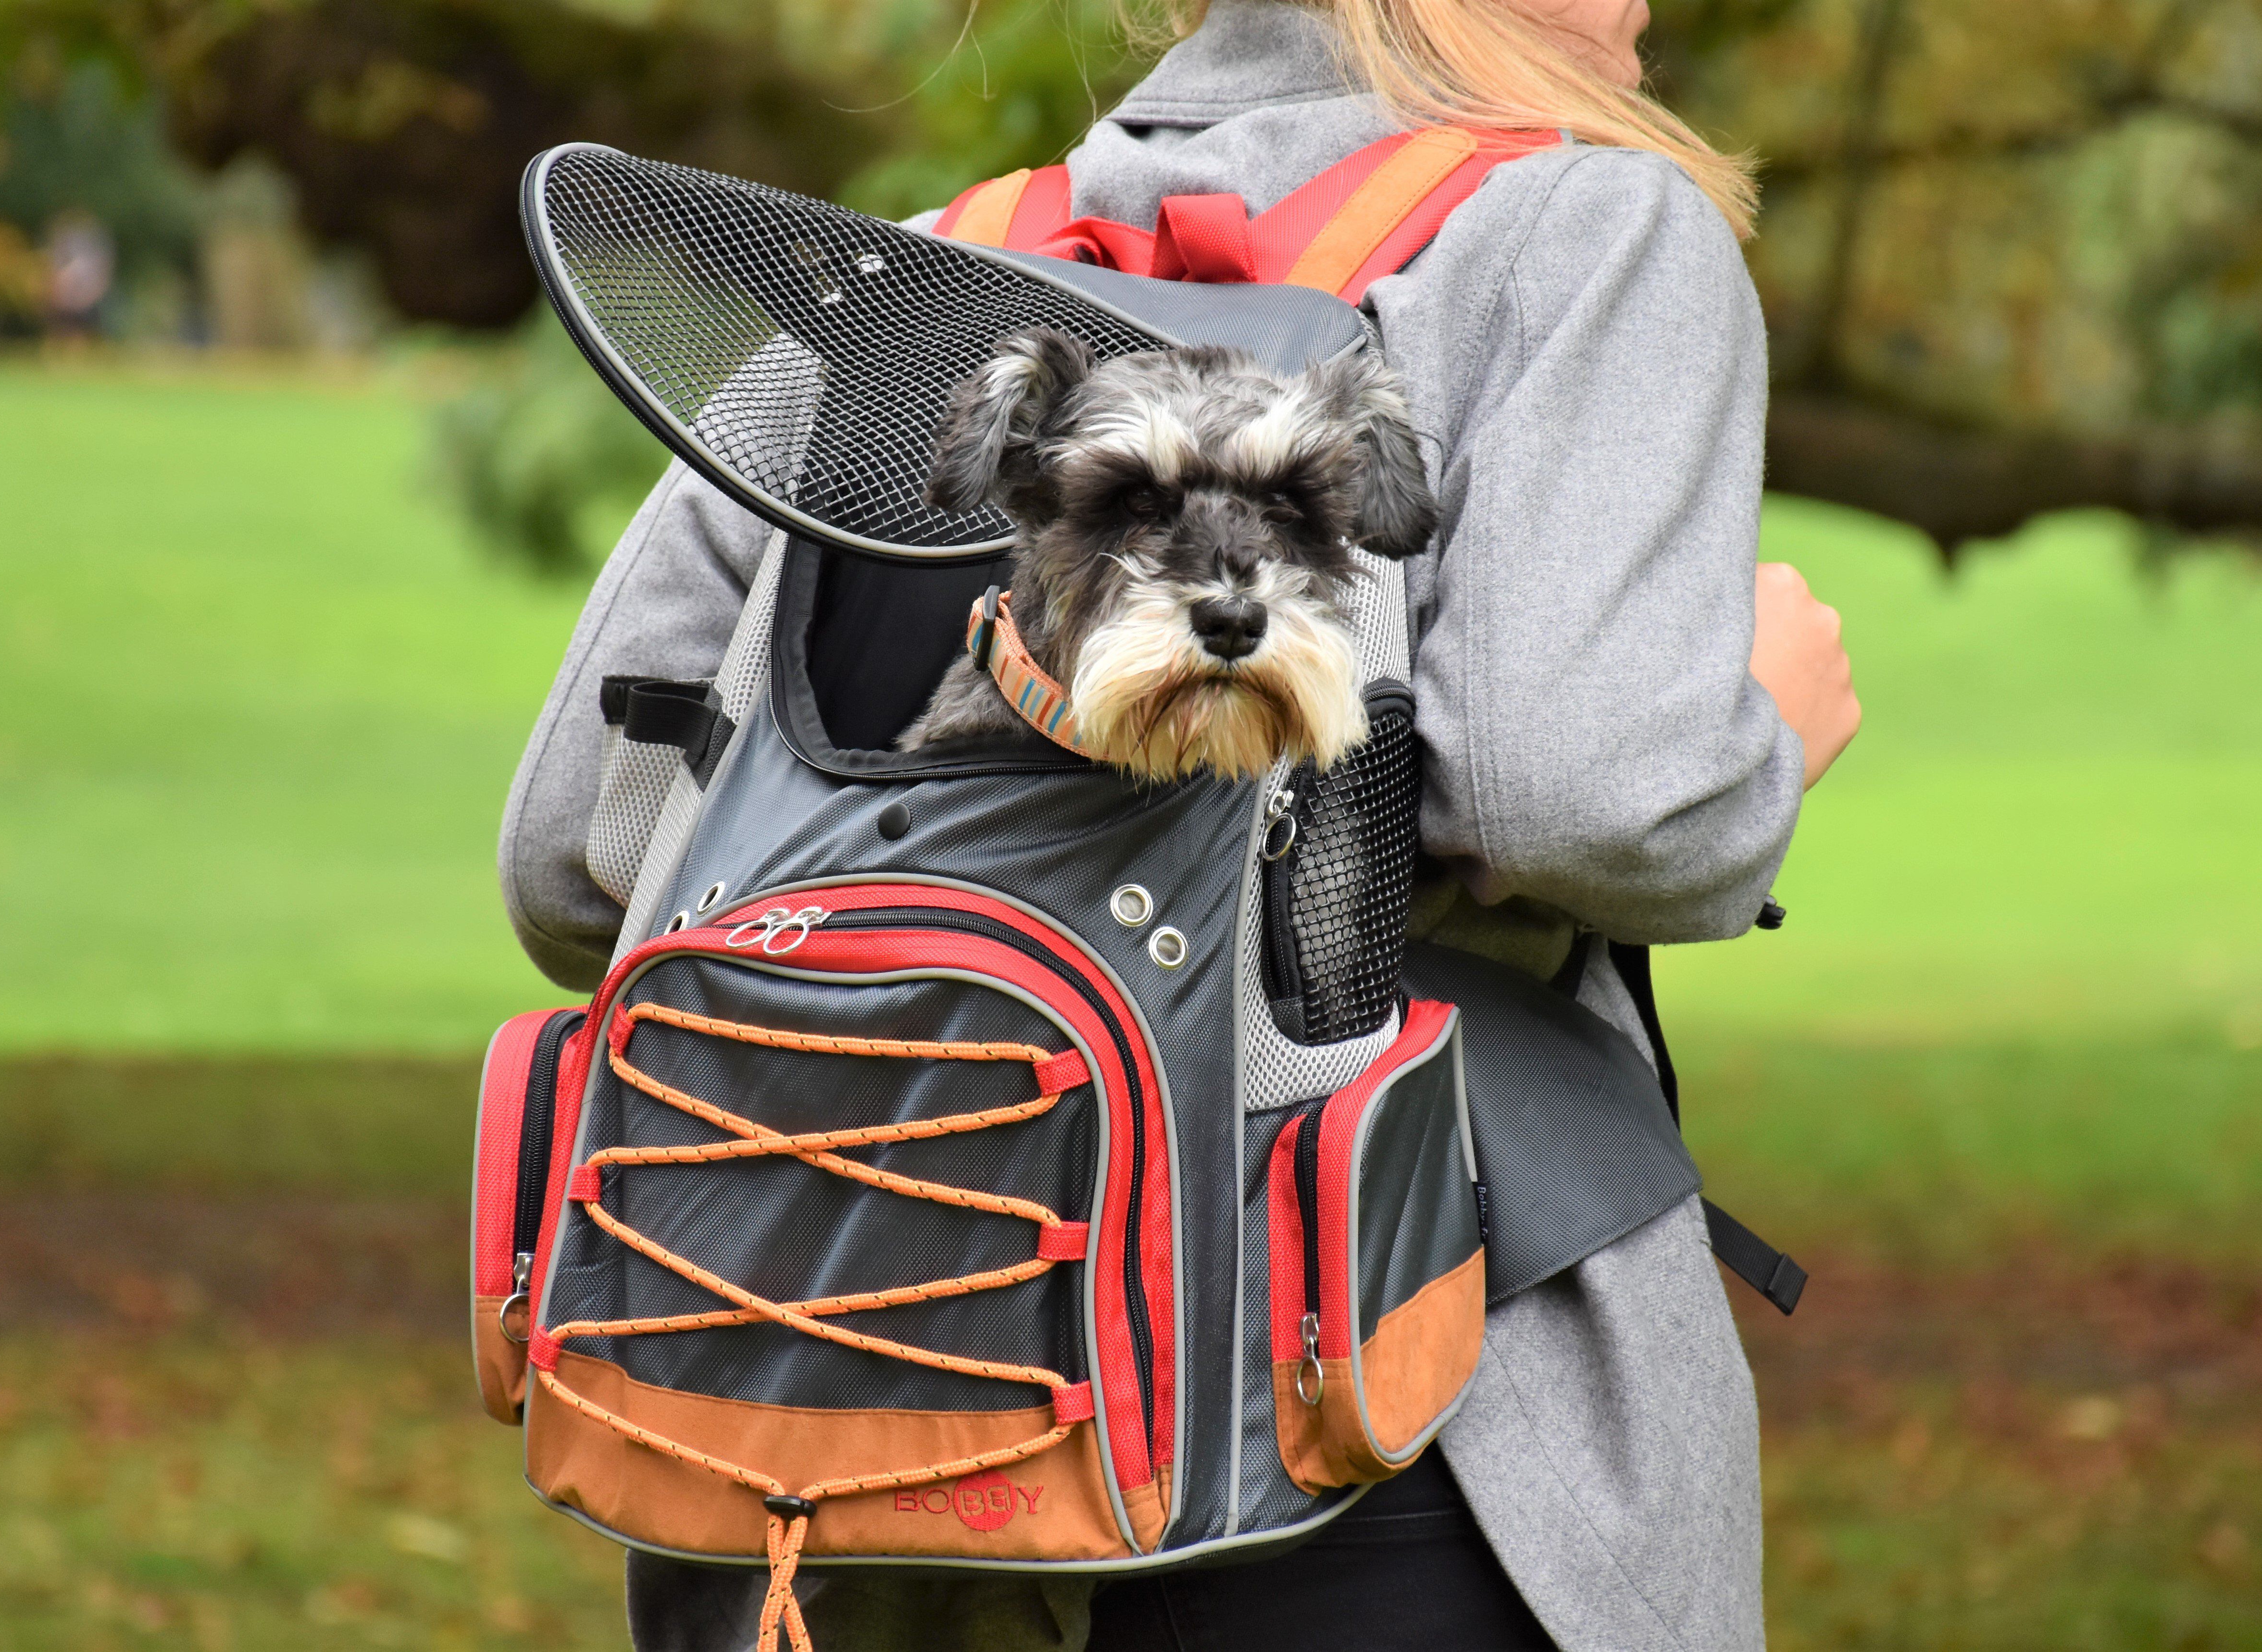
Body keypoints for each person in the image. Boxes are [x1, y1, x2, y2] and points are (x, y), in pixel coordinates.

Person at [498, 0, 1862, 1645]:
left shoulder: (906, 272)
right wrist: (1757, 733)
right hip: (1368, 1401)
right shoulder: (1589, 228)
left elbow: (577, 852)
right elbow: (1587, 797)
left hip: (818, 1415)